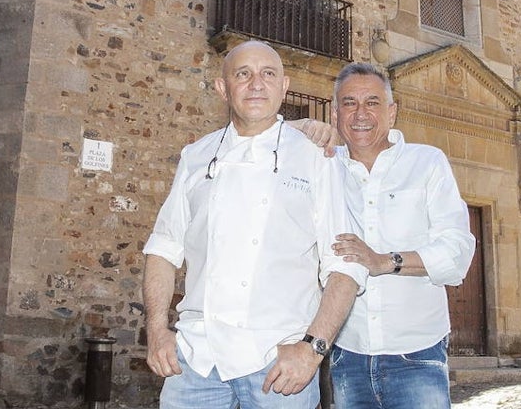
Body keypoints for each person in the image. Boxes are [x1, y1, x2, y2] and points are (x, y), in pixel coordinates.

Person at [142, 40, 366, 408]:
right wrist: (156, 331)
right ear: (222, 87)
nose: (256, 84)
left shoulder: (316, 157)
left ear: (284, 85)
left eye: (268, 74)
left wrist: (312, 350)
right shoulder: (196, 156)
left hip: (278, 365)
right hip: (196, 360)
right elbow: (163, 249)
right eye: (243, 74)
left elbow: (345, 265)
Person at [328, 62, 477, 409]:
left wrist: (384, 261)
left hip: (417, 354)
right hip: (347, 354)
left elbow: (457, 251)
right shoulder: (322, 166)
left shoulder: (427, 163)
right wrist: (302, 125)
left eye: (373, 102)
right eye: (349, 103)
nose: (360, 113)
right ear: (335, 114)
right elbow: (263, 140)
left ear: (392, 112)